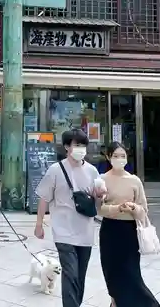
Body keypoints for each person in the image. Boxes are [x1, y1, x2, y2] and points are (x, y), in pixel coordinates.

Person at [34, 128, 106, 307]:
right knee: (70, 273)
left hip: (85, 232)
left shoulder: (92, 172)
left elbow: (98, 206)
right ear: (67, 147)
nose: (81, 149)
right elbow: (44, 198)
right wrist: (39, 224)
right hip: (63, 231)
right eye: (76, 145)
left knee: (80, 276)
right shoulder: (55, 170)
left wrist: (100, 196)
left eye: (83, 145)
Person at [98, 142, 160, 307]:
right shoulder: (102, 179)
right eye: (116, 156)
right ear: (108, 157)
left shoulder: (134, 181)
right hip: (110, 231)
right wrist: (116, 208)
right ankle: (115, 303)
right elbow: (98, 208)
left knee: (131, 273)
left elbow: (143, 208)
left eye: (123, 156)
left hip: (129, 232)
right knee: (111, 273)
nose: (119, 159)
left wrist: (134, 208)